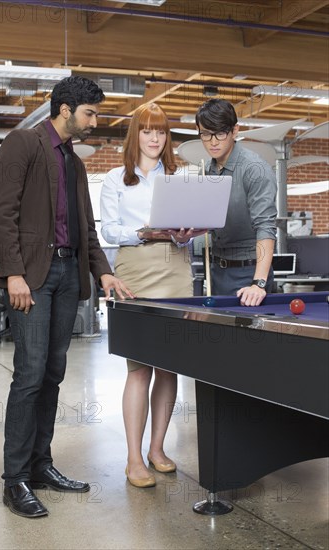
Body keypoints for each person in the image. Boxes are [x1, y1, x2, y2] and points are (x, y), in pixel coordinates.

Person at [0, 76, 133, 518]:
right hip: (33, 275)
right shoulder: (23, 144)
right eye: (90, 113)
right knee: (29, 374)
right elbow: (1, 211)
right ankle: (15, 480)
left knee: (52, 373)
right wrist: (14, 272)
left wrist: (103, 273)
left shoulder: (75, 163)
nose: (95, 121)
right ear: (66, 108)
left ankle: (40, 465)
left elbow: (86, 227)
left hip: (70, 273)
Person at [100, 103, 205, 488]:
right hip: (135, 271)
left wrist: (187, 232)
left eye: (160, 132)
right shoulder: (115, 179)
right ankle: (132, 458)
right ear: (135, 135)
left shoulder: (183, 177)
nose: (154, 138)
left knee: (169, 365)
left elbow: (203, 225)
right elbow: (110, 231)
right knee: (139, 366)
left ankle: (157, 449)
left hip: (176, 268)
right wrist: (145, 232)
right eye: (146, 131)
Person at [196, 99, 277, 304]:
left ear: (235, 131)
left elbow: (266, 227)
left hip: (249, 275)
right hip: (215, 273)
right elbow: (207, 222)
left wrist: (258, 283)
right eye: (206, 133)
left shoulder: (255, 169)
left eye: (220, 133)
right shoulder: (207, 171)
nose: (213, 141)